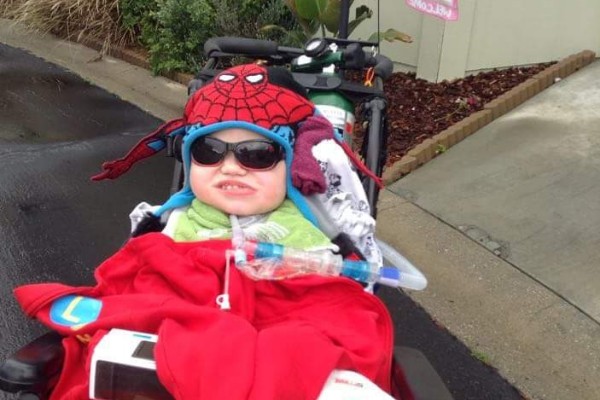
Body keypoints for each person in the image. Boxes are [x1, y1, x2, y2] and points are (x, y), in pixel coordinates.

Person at [13, 64, 394, 400]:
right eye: (209, 151)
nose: (230, 167)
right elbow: (129, 296)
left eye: (257, 154)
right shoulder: (168, 226)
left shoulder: (314, 234)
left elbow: (339, 313)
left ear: (293, 167)